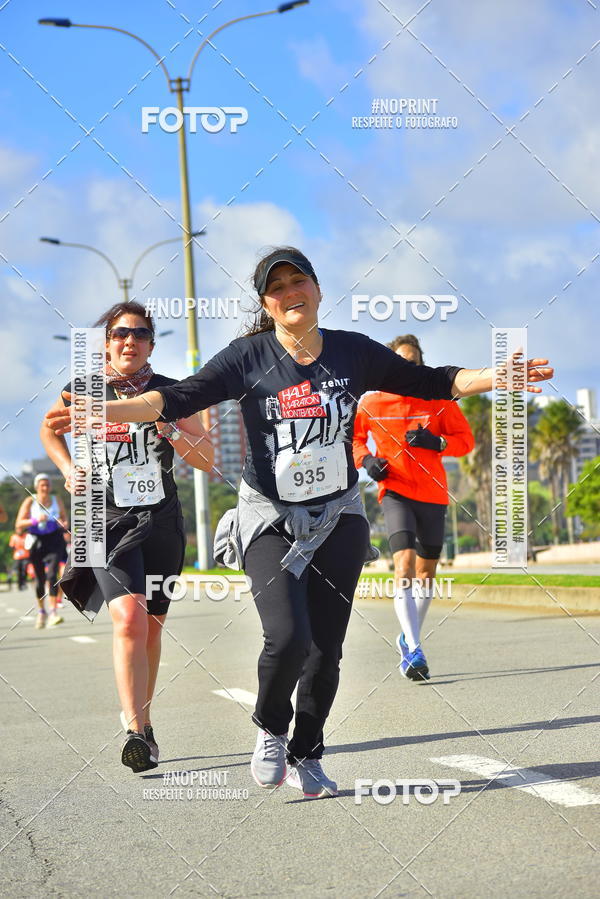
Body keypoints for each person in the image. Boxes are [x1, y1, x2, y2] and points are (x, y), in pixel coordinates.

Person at [45, 247, 553, 797]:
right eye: (277, 287)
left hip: (338, 515)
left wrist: (494, 376)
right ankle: (269, 728)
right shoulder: (247, 356)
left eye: (298, 281)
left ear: (316, 289)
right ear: (266, 302)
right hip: (268, 518)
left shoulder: (353, 352)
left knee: (326, 650)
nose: (290, 292)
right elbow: (177, 397)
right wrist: (104, 410)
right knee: (287, 638)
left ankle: (308, 751)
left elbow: (429, 381)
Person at [41, 301, 214, 773]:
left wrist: (173, 430)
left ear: (152, 345)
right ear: (107, 343)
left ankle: (146, 720)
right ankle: (135, 731)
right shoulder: (81, 391)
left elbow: (206, 458)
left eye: (139, 334)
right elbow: (48, 430)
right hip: (103, 517)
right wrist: (67, 468)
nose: (129, 341)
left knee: (152, 626)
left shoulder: (172, 392)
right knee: (129, 621)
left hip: (160, 520)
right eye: (119, 333)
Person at [353, 334, 475, 681]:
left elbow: (465, 441)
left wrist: (438, 442)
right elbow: (354, 440)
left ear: (421, 363)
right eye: (402, 361)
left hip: (433, 494)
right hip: (395, 491)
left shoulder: (440, 400)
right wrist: (368, 460)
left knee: (426, 573)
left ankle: (408, 639)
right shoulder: (372, 403)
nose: (409, 367)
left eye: (414, 361)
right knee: (404, 564)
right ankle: (416, 648)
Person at [16, 474, 69, 628]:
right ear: (36, 486)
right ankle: (41, 611)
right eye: (42, 485)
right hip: (36, 541)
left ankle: (53, 612)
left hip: (54, 540)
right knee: (40, 579)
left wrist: (62, 523)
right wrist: (34, 520)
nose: (45, 488)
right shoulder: (29, 501)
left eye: (47, 485)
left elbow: (65, 519)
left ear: (50, 486)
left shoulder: (56, 500)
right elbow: (18, 525)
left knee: (52, 575)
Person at [9, 526, 30, 591]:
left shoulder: (26, 536)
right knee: (19, 571)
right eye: (18, 530)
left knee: (24, 569)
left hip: (25, 556)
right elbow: (11, 546)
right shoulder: (14, 537)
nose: (20, 531)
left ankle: (24, 583)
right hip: (17, 557)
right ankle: (19, 584)